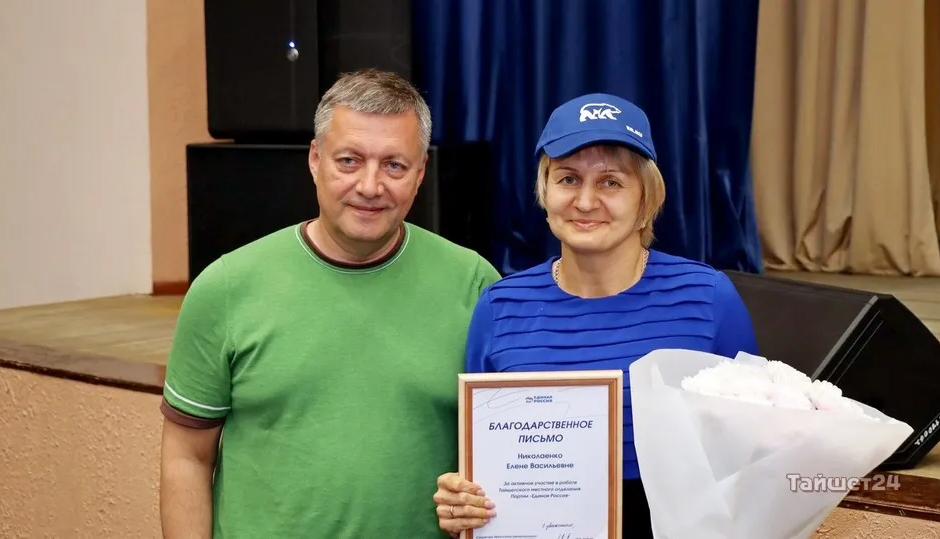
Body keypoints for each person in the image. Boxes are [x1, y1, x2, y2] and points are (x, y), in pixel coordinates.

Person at [158, 69, 501, 538]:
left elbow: (502, 452)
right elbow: (187, 457)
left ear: (420, 174)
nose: (370, 186)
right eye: (349, 161)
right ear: (315, 160)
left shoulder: (476, 285)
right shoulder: (225, 288)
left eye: (394, 166)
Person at [432, 93, 759, 538]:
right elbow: (481, 466)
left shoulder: (709, 299)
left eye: (610, 182)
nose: (585, 202)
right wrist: (464, 503)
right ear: (545, 192)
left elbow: (753, 457)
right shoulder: (499, 308)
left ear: (647, 198)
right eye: (568, 179)